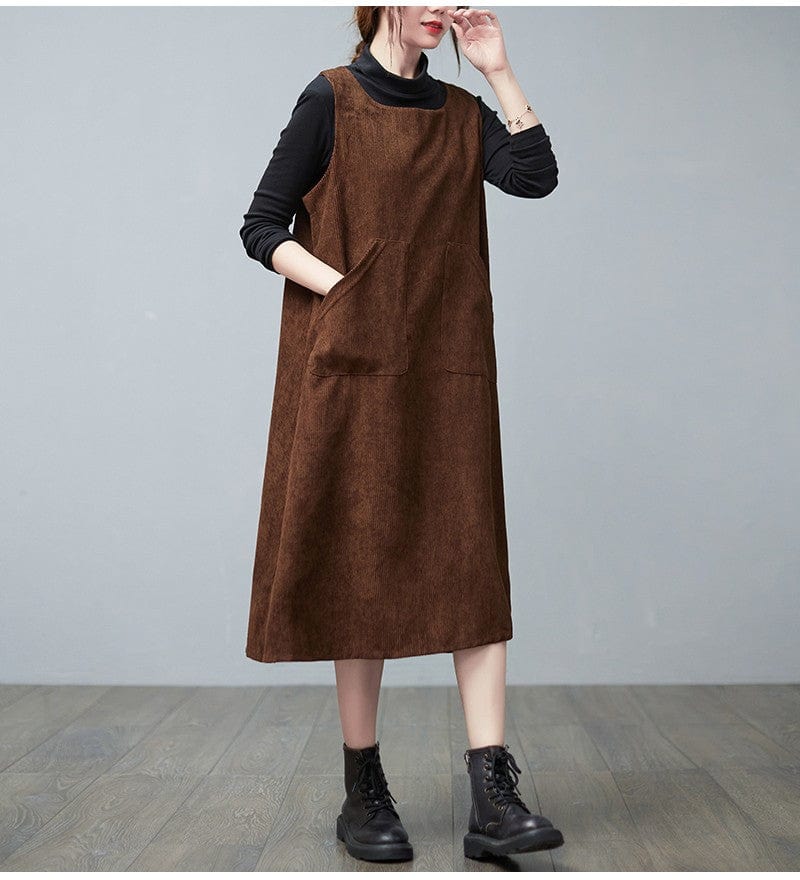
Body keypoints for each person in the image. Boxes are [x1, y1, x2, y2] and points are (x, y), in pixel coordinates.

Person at [239, 5, 563, 863]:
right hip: (353, 367)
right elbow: (261, 226)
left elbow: (535, 177)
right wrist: (348, 290)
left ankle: (493, 795)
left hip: (449, 365)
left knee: (471, 561)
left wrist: (496, 69)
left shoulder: (462, 114)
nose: (439, 7)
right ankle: (364, 788)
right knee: (359, 562)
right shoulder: (331, 98)